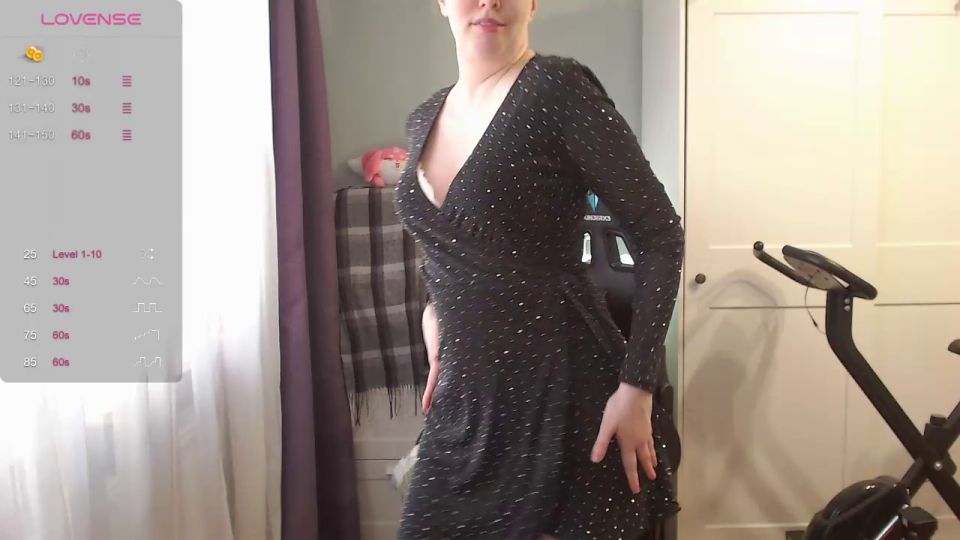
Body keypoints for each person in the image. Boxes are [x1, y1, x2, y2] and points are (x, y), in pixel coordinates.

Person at [393, 0, 685, 538]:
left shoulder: (558, 90)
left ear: (531, 4)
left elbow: (661, 234)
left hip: (564, 395)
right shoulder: (423, 117)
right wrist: (435, 316)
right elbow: (444, 251)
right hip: (468, 403)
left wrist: (637, 386)